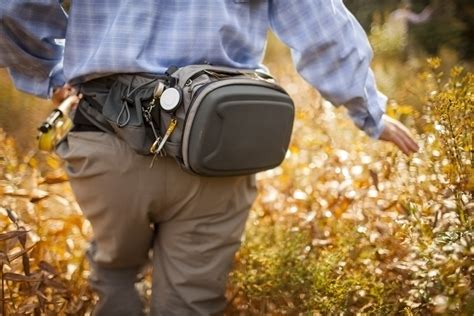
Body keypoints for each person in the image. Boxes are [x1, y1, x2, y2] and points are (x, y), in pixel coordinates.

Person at [0, 1, 419, 315]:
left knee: (113, 271)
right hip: (217, 146)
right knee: (191, 301)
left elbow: (14, 6)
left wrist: (49, 72)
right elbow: (321, 26)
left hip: (106, 137)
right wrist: (370, 113)